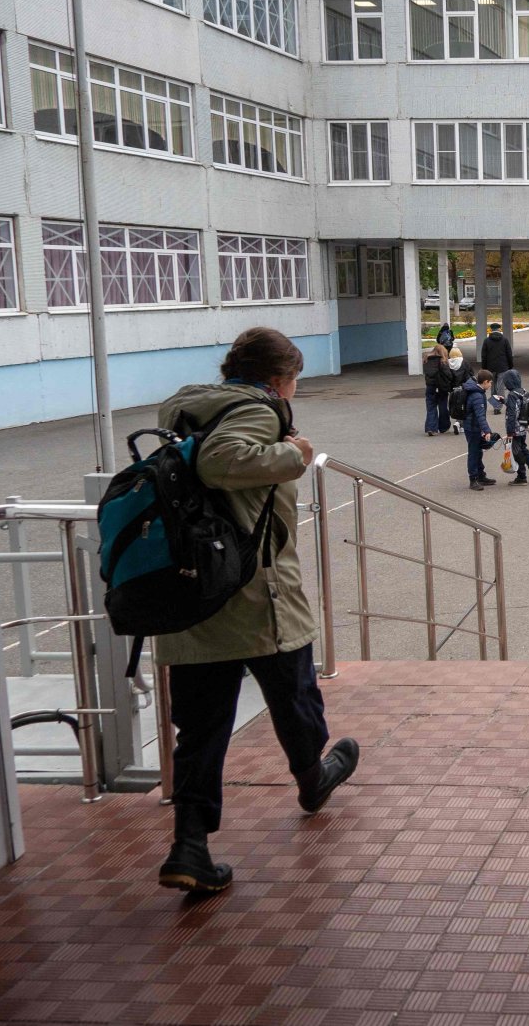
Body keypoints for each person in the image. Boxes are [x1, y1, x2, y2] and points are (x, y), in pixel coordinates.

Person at [154, 327, 359, 895]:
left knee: (200, 728)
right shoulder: (259, 410)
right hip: (254, 593)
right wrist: (295, 454)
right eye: (293, 380)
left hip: (192, 596)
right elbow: (223, 463)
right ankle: (313, 777)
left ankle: (189, 845)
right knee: (295, 696)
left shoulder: (190, 410)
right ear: (278, 378)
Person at [501, 369, 529, 485]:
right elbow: (520, 406)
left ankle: (521, 476)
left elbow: (512, 414)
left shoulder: (512, 395)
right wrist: (505, 401)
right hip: (523, 427)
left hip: (515, 429)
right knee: (524, 449)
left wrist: (509, 431)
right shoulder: (522, 391)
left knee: (517, 452)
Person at [463, 367, 498, 491]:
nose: (491, 384)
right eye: (490, 382)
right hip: (472, 428)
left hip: (471, 426)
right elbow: (480, 416)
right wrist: (487, 431)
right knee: (474, 453)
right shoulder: (477, 396)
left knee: (478, 452)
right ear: (485, 382)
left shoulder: (476, 391)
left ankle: (481, 475)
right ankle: (473, 479)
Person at [478, 322, 514, 414]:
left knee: (492, 387)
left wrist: (484, 367)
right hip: (503, 367)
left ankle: (495, 406)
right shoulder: (505, 340)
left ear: (491, 330)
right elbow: (509, 354)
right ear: (499, 329)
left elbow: (484, 355)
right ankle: (500, 406)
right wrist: (510, 366)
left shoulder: (486, 341)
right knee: (501, 387)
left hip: (490, 368)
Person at [422, 344, 450, 436]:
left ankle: (431, 427)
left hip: (430, 386)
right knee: (442, 406)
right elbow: (447, 374)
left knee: (431, 407)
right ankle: (443, 427)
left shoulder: (426, 360)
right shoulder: (442, 361)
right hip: (441, 387)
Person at [445, 346, 468, 435]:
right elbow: (469, 374)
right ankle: (460, 424)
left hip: (452, 389)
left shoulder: (447, 363)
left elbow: (446, 376)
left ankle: (458, 423)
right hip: (463, 388)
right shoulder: (464, 362)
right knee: (462, 406)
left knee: (454, 406)